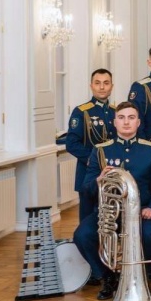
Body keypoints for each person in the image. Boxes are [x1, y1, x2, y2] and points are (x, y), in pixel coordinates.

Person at [72, 102, 151, 301]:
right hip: (109, 212)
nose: (126, 122)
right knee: (82, 235)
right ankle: (106, 277)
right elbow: (86, 190)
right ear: (114, 122)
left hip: (140, 212)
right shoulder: (100, 151)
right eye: (121, 118)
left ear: (138, 122)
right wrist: (98, 180)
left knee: (150, 234)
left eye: (131, 118)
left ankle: (143, 276)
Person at [66, 69, 116, 221]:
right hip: (89, 174)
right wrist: (94, 160)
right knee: (88, 222)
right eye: (97, 83)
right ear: (91, 86)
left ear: (112, 86)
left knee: (112, 220)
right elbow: (71, 144)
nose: (102, 87)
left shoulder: (116, 112)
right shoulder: (81, 112)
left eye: (106, 83)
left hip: (113, 174)